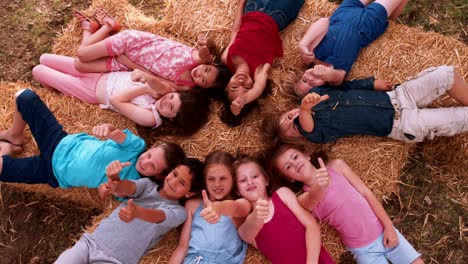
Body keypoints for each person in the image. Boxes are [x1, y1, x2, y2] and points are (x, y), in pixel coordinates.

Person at [0, 89, 186, 188]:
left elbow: (117, 190)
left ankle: (7, 150)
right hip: (60, 142)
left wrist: (113, 178)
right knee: (24, 96)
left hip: (53, 172)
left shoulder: (136, 184)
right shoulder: (137, 147)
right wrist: (108, 130)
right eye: (150, 155)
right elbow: (117, 134)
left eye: (152, 166)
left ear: (159, 175)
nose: (146, 161)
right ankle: (14, 136)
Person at [270, 144, 424, 264]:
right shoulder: (303, 199)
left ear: (306, 155)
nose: (295, 164)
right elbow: (314, 198)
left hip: (383, 229)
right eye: (288, 166)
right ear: (289, 178)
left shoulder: (337, 167)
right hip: (363, 250)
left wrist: (389, 227)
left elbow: (366, 193)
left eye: (295, 157)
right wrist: (319, 184)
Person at [263, 66, 468, 144]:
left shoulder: (315, 93)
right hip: (404, 123)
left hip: (398, 95)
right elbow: (305, 123)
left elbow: (347, 86)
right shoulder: (317, 133)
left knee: (445, 74)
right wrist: (305, 111)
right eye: (292, 128)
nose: (294, 121)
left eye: (288, 117)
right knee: (461, 118)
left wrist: (372, 84)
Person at [55, 157, 205, 264]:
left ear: (189, 193)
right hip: (91, 243)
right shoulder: (147, 185)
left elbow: (158, 217)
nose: (173, 182)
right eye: (174, 174)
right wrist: (113, 178)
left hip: (117, 260)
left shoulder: (179, 212)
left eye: (181, 183)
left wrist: (137, 212)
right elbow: (125, 187)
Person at [33, 54, 211, 130]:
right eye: (172, 97)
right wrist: (161, 87)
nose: (167, 101)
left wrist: (145, 88)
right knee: (44, 58)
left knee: (38, 71)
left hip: (91, 90)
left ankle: (52, 91)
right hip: (99, 73)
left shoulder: (150, 118)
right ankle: (54, 84)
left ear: (172, 118)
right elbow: (154, 79)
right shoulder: (165, 92)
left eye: (171, 108)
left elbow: (116, 100)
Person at [72, 9, 231, 92]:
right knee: (82, 54)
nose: (200, 73)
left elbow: (154, 77)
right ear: (211, 63)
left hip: (128, 63)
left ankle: (90, 28)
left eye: (203, 80)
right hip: (132, 43)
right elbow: (203, 53)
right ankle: (109, 26)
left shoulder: (186, 86)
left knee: (79, 64)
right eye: (207, 70)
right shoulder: (199, 58)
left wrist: (128, 63)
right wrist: (203, 46)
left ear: (203, 88)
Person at [232, 156, 335, 263]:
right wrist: (257, 215)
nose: (250, 182)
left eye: (254, 176)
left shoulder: (282, 194)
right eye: (243, 180)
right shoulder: (247, 226)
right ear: (237, 191)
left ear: (266, 180)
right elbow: (245, 234)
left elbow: (312, 226)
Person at [220, 0, 305, 126]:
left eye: (234, 87)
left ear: (226, 86)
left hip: (252, 7)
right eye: (247, 87)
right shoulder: (259, 72)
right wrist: (244, 99)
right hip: (277, 14)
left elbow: (235, 31)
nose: (241, 82)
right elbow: (259, 88)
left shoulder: (226, 59)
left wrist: (241, 5)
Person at [294, 0, 409, 91]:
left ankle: (392, 19)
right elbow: (338, 77)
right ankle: (392, 21)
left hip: (343, 13)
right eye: (312, 85)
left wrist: (304, 44)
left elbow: (324, 22)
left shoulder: (310, 56)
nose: (310, 79)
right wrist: (327, 75)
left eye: (304, 80)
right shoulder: (334, 77)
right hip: (366, 24)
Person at [169, 151, 249, 264]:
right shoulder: (192, 205)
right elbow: (182, 247)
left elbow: (236, 207)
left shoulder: (241, 204)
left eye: (223, 178)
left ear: (233, 178)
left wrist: (218, 208)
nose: (217, 184)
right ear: (205, 180)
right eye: (211, 179)